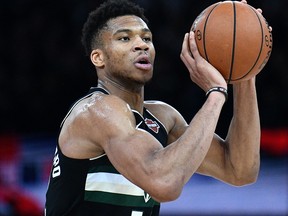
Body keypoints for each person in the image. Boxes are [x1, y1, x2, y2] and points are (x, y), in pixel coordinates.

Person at [45, 0, 265, 215]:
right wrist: (216, 94)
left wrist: (245, 70)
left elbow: (239, 170)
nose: (142, 44)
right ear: (98, 58)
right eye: (124, 38)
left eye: (146, 38)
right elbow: (164, 184)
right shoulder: (96, 111)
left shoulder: (162, 117)